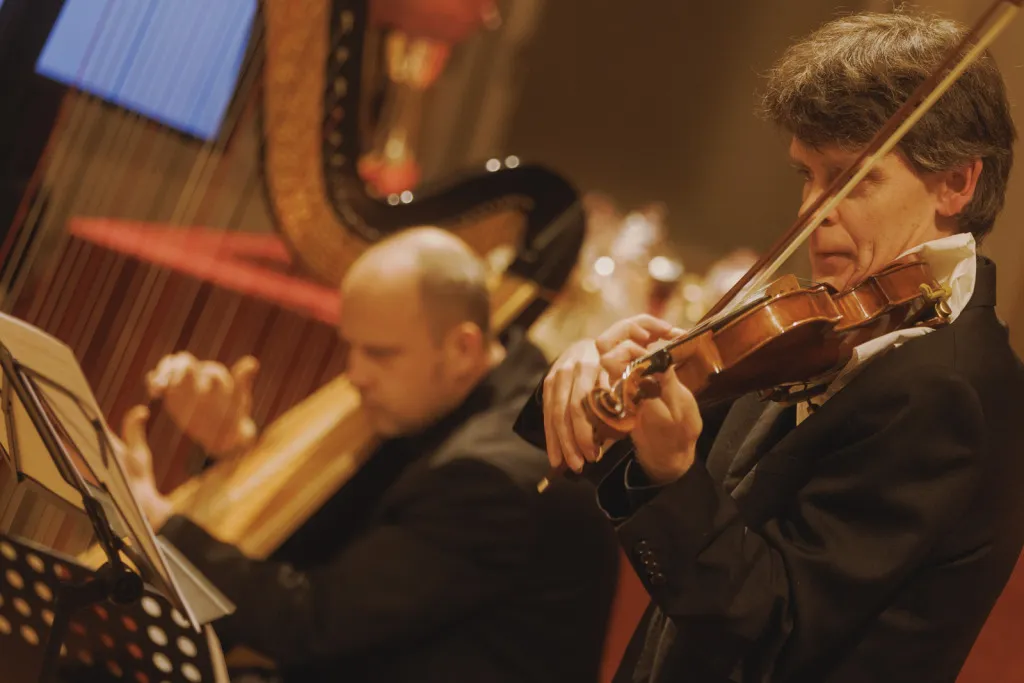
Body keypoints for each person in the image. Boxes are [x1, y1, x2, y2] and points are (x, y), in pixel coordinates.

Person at [513, 10, 1024, 683]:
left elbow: (777, 631)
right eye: (806, 175)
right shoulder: (816, 330)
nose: (813, 210)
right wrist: (594, 385)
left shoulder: (950, 393)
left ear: (957, 182)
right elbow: (650, 470)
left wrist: (672, 474)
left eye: (850, 179)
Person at [115, 227, 620, 683]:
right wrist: (234, 450)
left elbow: (312, 621)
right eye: (350, 347)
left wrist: (160, 523)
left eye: (379, 353)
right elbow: (324, 542)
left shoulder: (485, 479)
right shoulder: (487, 377)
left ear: (463, 348)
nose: (355, 375)